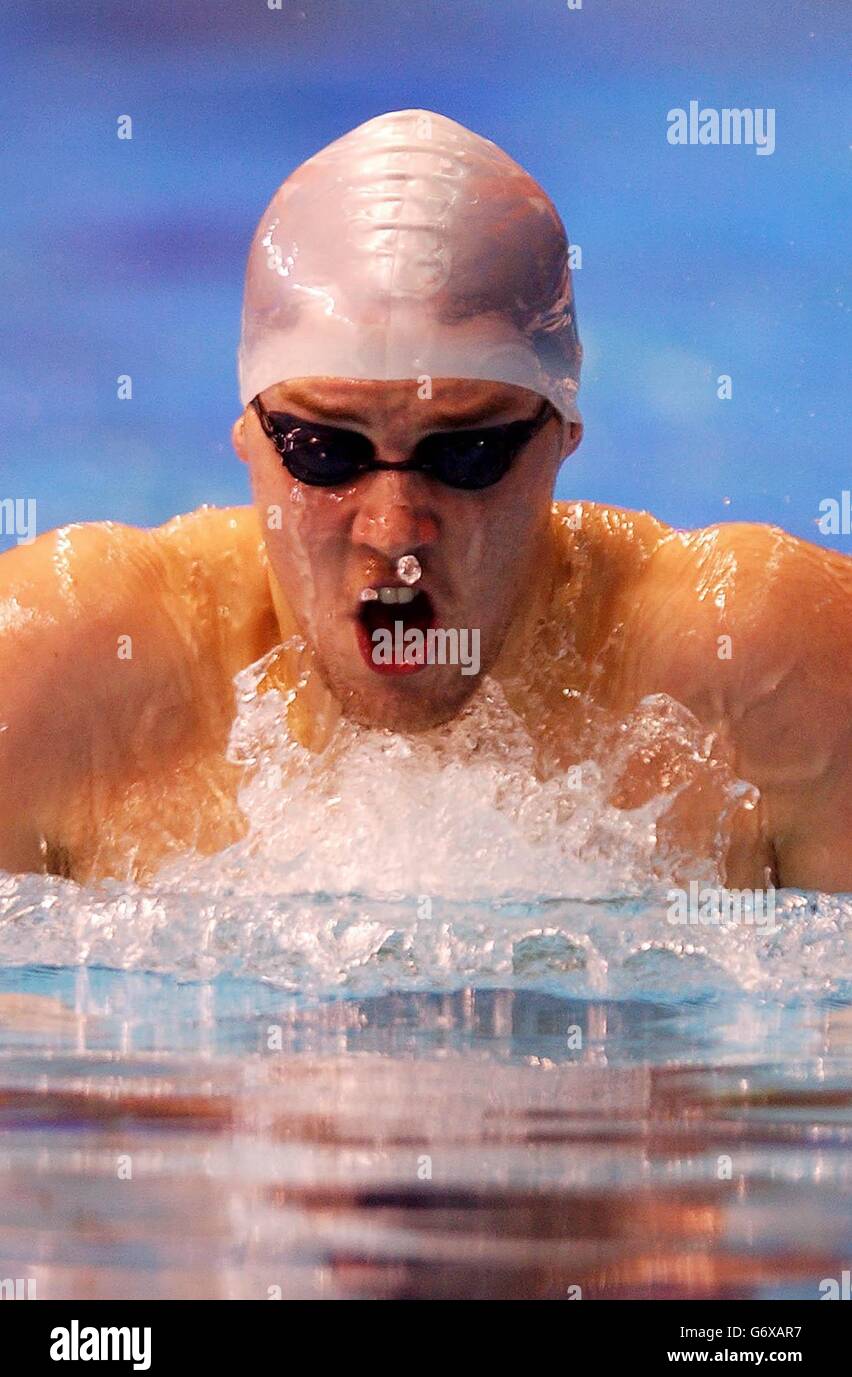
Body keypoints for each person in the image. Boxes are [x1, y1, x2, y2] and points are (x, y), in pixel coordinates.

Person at [0, 111, 849, 889]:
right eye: (326, 452)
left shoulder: (768, 666)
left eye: (467, 452)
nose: (394, 528)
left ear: (562, 438)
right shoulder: (56, 673)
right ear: (250, 440)